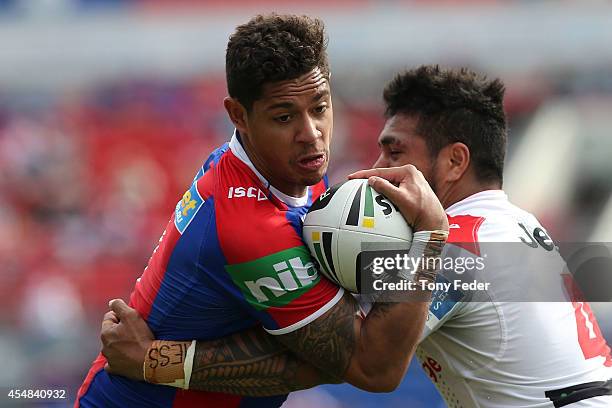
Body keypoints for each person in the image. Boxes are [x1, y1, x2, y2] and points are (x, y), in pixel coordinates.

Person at [102, 65, 612, 407]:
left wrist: (157, 361)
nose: (376, 170)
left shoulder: (459, 246)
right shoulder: (516, 226)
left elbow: (352, 359)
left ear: (454, 161)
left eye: (394, 151)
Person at [75, 16, 449, 408]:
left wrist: (163, 363)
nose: (311, 133)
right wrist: (431, 234)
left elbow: (331, 347)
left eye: (319, 107)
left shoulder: (291, 170)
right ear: (238, 116)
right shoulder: (252, 226)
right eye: (284, 117)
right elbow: (375, 367)